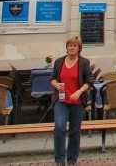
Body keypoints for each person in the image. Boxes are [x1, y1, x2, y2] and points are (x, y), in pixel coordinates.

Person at [51, 36, 95, 165]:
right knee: (59, 128)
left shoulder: (83, 62)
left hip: (77, 102)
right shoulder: (59, 62)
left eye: (74, 45)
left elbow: (90, 80)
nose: (72, 47)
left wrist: (80, 91)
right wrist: (56, 85)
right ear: (67, 47)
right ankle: (59, 160)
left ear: (79, 48)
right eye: (70, 45)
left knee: (75, 131)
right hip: (61, 100)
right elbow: (52, 78)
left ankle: (72, 159)